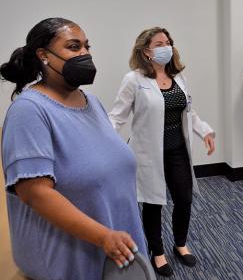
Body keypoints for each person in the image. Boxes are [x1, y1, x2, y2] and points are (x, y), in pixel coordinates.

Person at [0, 18, 145, 280]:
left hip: (116, 247)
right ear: (43, 55)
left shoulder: (93, 103)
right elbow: (35, 193)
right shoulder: (29, 111)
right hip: (74, 259)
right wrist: (103, 236)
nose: (85, 54)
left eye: (87, 47)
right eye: (74, 47)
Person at [109, 27, 215, 277]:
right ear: (146, 51)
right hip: (147, 153)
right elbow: (117, 117)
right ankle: (157, 253)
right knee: (154, 202)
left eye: (168, 42)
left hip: (177, 149)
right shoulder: (134, 80)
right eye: (159, 43)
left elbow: (189, 111)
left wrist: (205, 131)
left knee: (184, 199)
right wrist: (103, 144)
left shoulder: (177, 77)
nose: (166, 47)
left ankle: (180, 244)